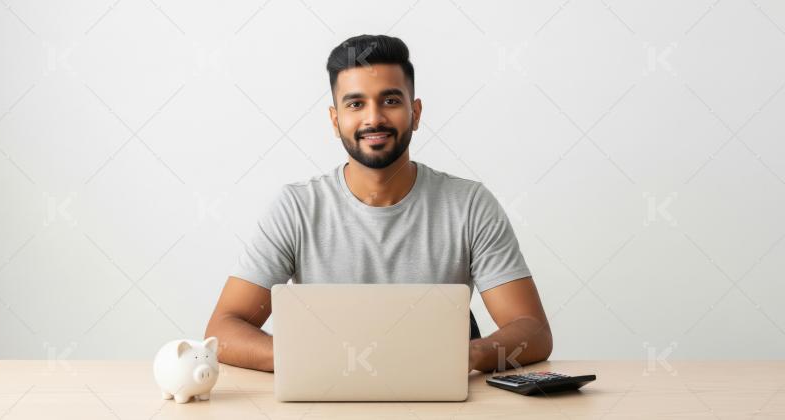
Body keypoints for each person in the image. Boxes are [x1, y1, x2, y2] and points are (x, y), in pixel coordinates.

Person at [205, 34, 552, 373]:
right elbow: (223, 330)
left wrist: (467, 357)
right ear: (335, 119)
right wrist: (306, 358)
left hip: (438, 398)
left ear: (415, 113)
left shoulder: (470, 205)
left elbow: (533, 330)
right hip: (327, 397)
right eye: (356, 104)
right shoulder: (296, 208)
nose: (374, 119)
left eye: (390, 101)